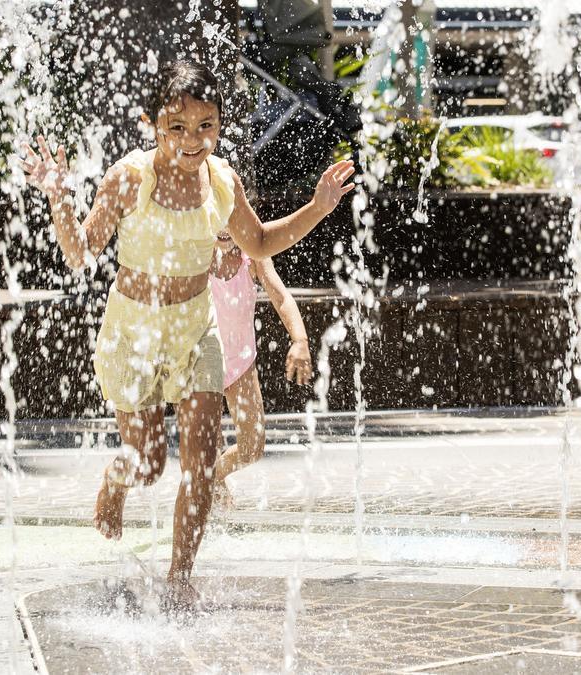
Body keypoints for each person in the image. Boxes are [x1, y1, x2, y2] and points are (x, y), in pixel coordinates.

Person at [19, 59, 354, 608]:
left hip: (197, 331)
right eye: (177, 127)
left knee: (200, 462)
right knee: (150, 461)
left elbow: (262, 244)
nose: (192, 140)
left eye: (206, 126)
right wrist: (58, 192)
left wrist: (317, 208)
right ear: (153, 125)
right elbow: (80, 253)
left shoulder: (222, 182)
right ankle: (117, 481)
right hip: (135, 332)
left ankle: (179, 578)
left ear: (219, 126)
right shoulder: (129, 178)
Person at [208, 232, 312, 511]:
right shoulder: (197, 248)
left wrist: (300, 340)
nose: (224, 228)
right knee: (205, 446)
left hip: (239, 362)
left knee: (252, 447)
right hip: (200, 361)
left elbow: (281, 297)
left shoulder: (252, 252)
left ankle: (213, 476)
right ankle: (206, 509)